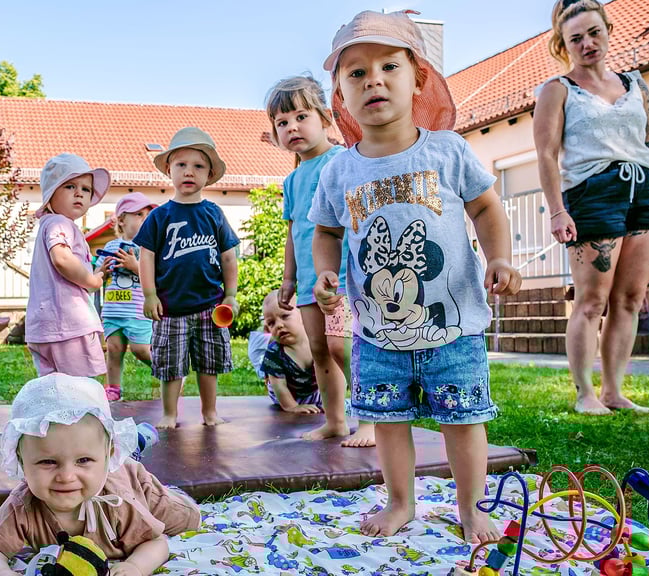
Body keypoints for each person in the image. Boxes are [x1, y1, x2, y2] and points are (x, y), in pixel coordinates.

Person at [308, 10, 522, 543]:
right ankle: (400, 502)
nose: (372, 79)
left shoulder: (447, 150)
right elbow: (326, 231)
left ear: (417, 79)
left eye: (388, 66)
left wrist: (499, 257)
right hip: (378, 332)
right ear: (341, 95)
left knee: (463, 421)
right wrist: (326, 272)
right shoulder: (340, 169)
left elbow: (487, 208)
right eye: (355, 73)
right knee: (388, 421)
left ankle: (471, 508)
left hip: (455, 325)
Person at [533, 0, 649, 415]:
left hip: (644, 190)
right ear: (564, 44)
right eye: (576, 38)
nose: (588, 44)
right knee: (592, 301)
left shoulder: (634, 84)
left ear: (608, 30)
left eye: (594, 33)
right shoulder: (557, 89)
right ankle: (585, 394)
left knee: (630, 298)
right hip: (593, 193)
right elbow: (547, 155)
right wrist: (557, 210)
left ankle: (613, 391)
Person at [0, 373, 201, 576]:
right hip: (108, 465)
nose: (66, 476)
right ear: (22, 462)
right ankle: (133, 445)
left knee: (187, 519)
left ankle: (134, 449)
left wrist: (136, 567)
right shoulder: (22, 506)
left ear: (107, 457)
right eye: (47, 462)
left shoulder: (120, 502)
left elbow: (156, 543)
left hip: (135, 483)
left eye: (83, 460)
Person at [267, 75, 376, 448]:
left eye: (300, 116)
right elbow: (293, 231)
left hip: (344, 275)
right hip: (307, 281)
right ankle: (335, 420)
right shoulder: (293, 180)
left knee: (342, 347)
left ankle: (370, 420)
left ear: (325, 119)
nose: (291, 127)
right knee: (318, 350)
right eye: (282, 123)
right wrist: (288, 279)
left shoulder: (343, 161)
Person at [133, 127, 240, 429]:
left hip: (210, 307)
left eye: (198, 166)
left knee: (209, 364)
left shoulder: (214, 214)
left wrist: (230, 294)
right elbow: (147, 257)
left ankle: (209, 412)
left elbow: (228, 256)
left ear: (209, 175)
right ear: (169, 170)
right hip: (170, 308)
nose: (189, 172)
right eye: (181, 165)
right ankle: (170, 414)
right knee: (170, 366)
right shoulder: (159, 216)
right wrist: (150, 294)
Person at [25, 154, 111, 386]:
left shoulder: (49, 225)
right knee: (80, 386)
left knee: (54, 388)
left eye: (86, 189)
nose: (79, 193)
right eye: (70, 186)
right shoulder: (60, 223)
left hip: (45, 326)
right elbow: (62, 259)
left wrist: (95, 270)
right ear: (51, 193)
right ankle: (82, 421)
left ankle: (55, 422)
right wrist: (91, 281)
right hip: (68, 325)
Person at [95, 193, 158, 401]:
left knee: (141, 349)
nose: (145, 219)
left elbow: (156, 278)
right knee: (113, 349)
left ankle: (168, 371)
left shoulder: (148, 248)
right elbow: (97, 275)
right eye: (139, 214)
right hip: (113, 310)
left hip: (138, 310)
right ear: (121, 219)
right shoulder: (111, 246)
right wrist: (103, 271)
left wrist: (135, 266)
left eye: (148, 215)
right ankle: (113, 388)